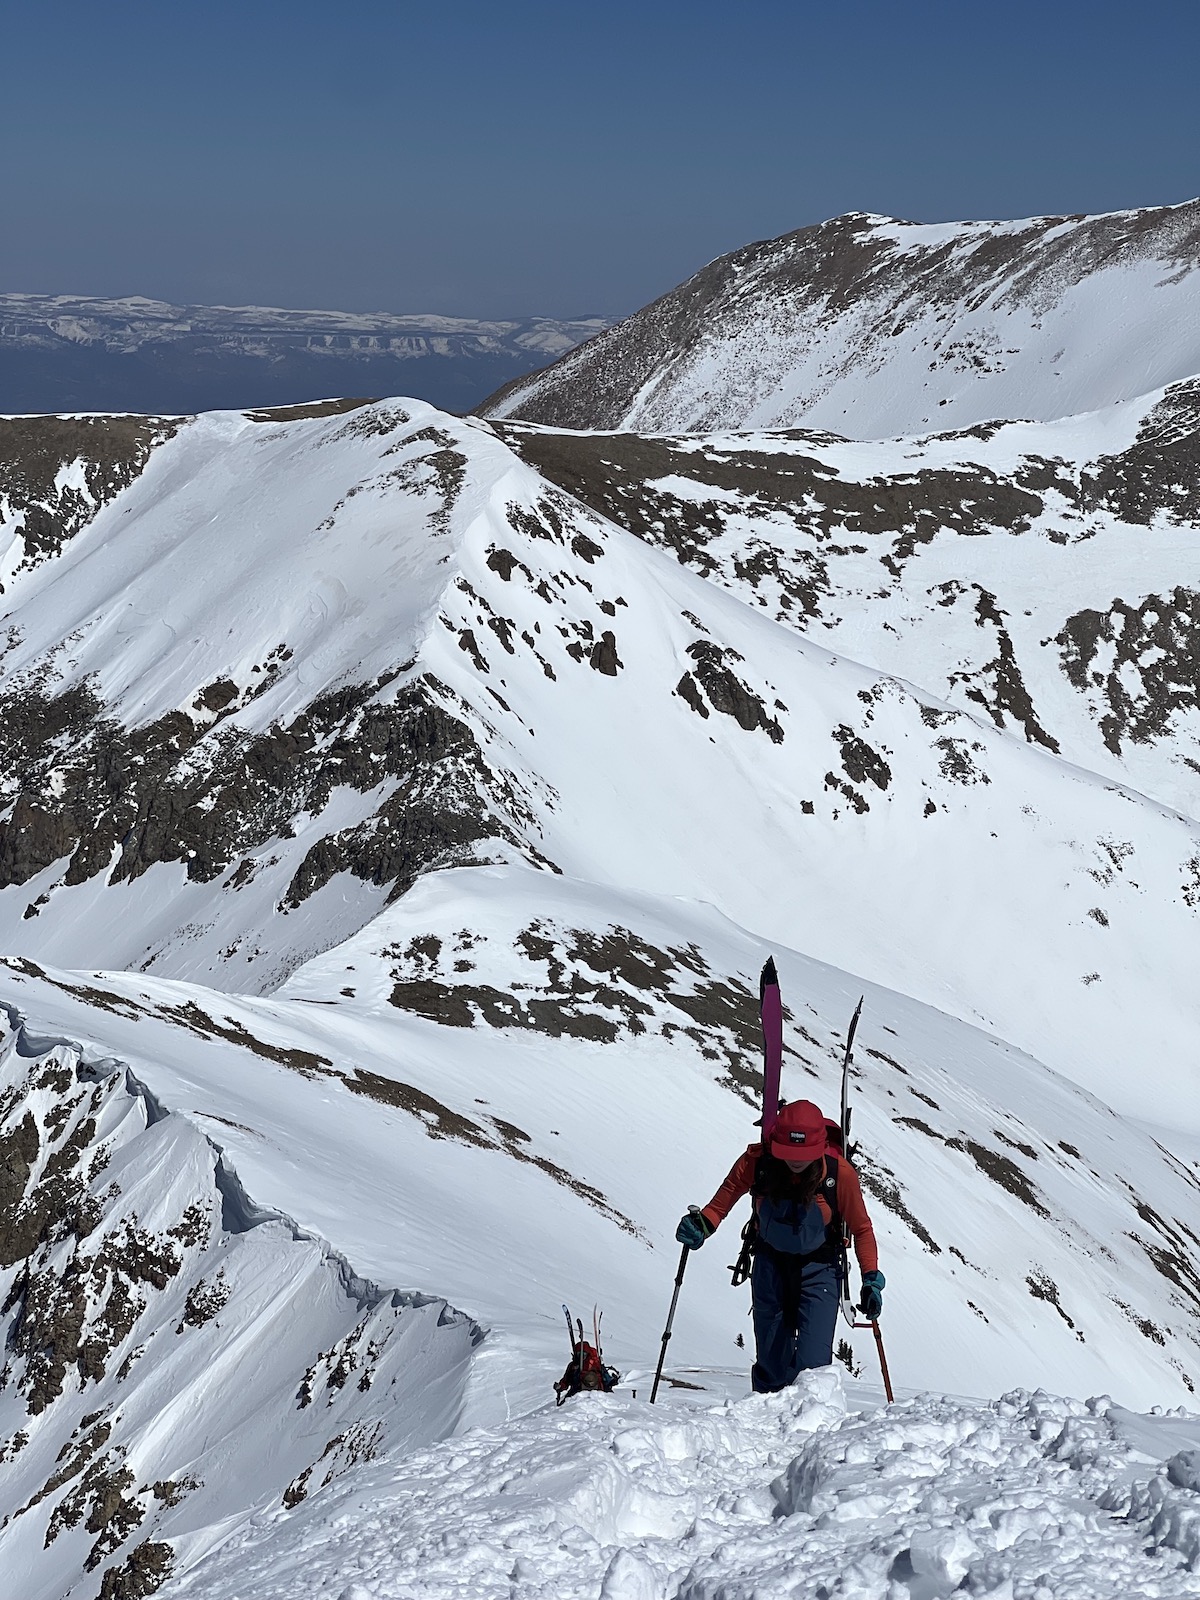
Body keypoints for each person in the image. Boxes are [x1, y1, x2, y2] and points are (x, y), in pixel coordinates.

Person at [675, 1099, 884, 1393]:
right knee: (771, 1364)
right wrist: (701, 1226)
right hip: (770, 1264)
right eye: (789, 1152)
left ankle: (811, 1430)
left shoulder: (840, 1175)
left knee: (813, 1370)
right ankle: (765, 1431)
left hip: (821, 1269)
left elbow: (861, 1229)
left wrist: (871, 1278)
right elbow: (723, 1200)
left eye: (804, 1154)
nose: (796, 1161)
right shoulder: (757, 1162)